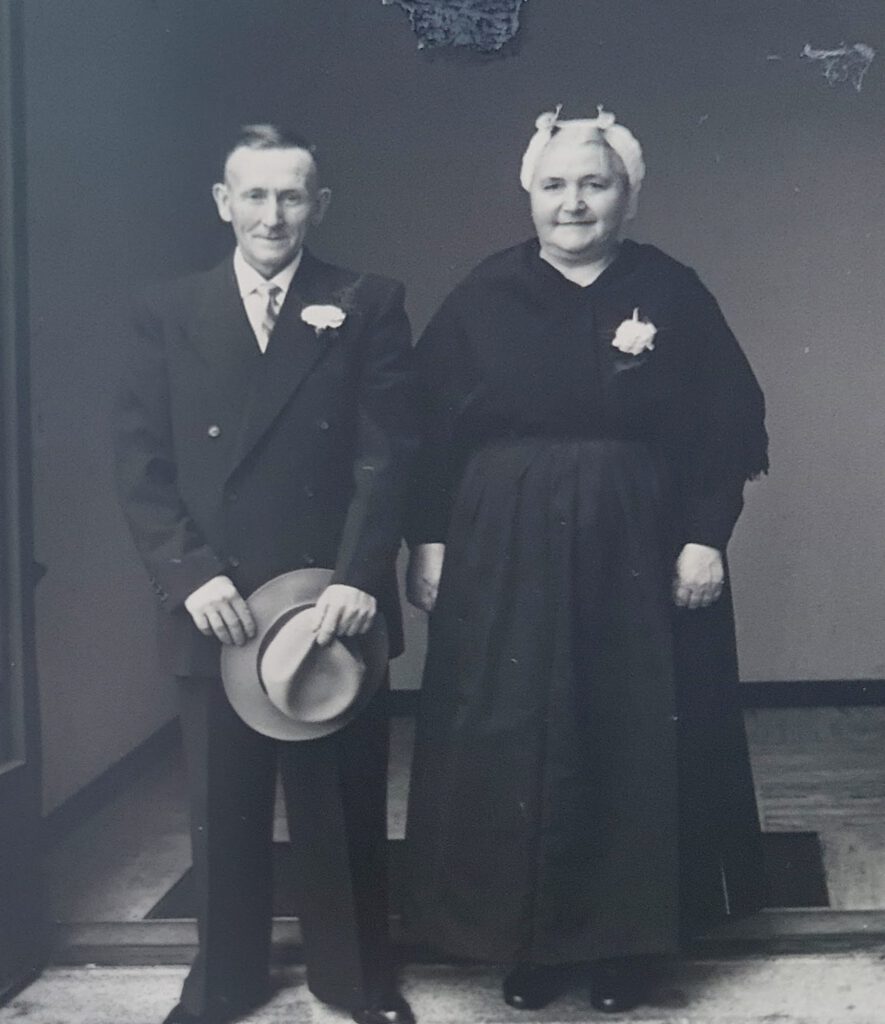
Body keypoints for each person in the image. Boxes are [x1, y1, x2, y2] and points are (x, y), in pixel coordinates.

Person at [403, 107, 769, 1014]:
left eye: (594, 183)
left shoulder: (670, 289)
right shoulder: (483, 293)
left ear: (627, 196)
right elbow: (423, 429)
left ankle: (627, 947)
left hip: (636, 546)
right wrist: (429, 540)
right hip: (502, 549)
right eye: (555, 184)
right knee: (512, 735)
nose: (573, 202)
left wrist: (704, 536)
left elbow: (726, 422)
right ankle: (527, 941)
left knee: (632, 734)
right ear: (529, 194)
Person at [113, 124, 418, 1024]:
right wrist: (190, 575)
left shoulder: (367, 301)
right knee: (223, 807)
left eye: (291, 197)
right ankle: (222, 983)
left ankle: (356, 982)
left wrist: (360, 575)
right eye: (255, 195)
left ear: (319, 205)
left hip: (329, 596)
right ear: (224, 203)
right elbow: (139, 463)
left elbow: (388, 454)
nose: (272, 215)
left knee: (341, 807)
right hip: (217, 601)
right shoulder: (165, 310)